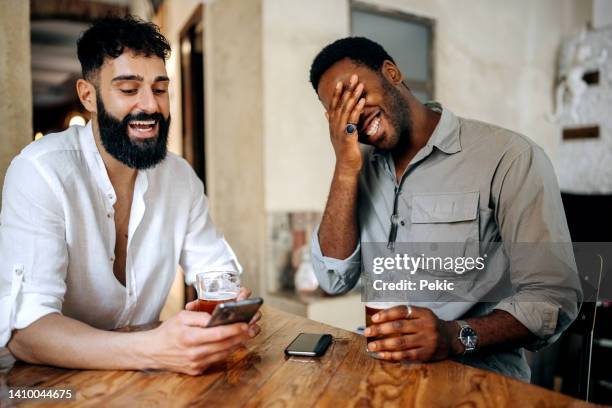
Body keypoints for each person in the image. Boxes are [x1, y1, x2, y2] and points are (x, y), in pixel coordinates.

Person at [308, 37, 582, 381]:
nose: (353, 114)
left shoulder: (509, 157)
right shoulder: (357, 169)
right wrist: (345, 168)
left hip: (478, 381)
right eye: (339, 109)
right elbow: (333, 279)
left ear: (391, 73)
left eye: (355, 94)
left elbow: (555, 297)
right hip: (380, 375)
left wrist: (455, 337)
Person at [0, 16, 260, 376]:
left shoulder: (180, 176)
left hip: (148, 386)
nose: (150, 106)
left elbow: (217, 271)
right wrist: (154, 350)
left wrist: (230, 306)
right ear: (88, 96)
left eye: (159, 88)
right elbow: (25, 333)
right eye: (128, 89)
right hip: (53, 387)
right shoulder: (40, 172)